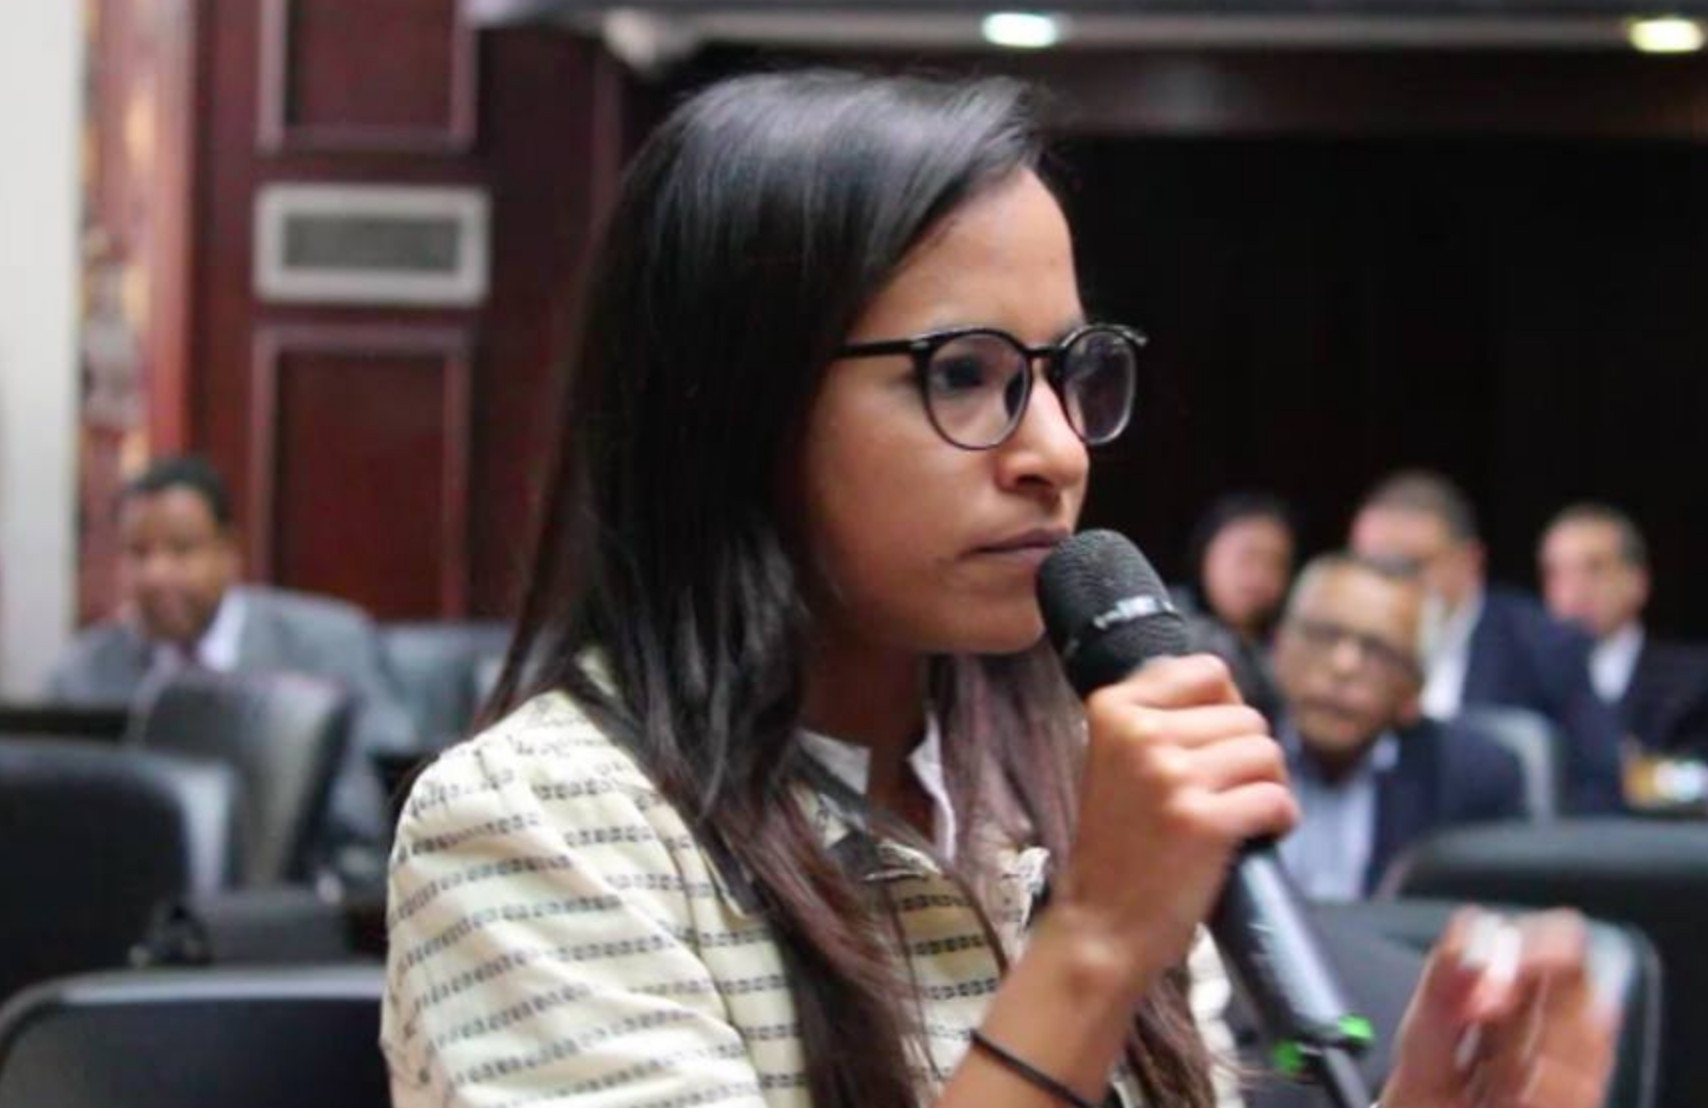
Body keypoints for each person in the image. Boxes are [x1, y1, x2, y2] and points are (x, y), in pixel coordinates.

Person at [381, 72, 1615, 1108]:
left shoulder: (1062, 774)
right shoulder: (536, 825)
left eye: (1070, 372)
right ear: (738, 403)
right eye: (964, 374)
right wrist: (1091, 948)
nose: (1059, 451)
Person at [45, 454, 413, 874]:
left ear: (229, 552)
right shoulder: (82, 673)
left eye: (181, 550)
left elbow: (373, 801)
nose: (155, 575)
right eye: (138, 553)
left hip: (300, 887)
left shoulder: (328, 646)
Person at [1349, 470, 1623, 814]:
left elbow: (1598, 790)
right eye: (1370, 566)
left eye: (1412, 565)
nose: (1390, 585)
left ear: (1469, 562)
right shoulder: (1335, 650)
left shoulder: (1546, 647)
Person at [1269, 553, 1525, 900]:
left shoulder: (1474, 779)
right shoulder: (1216, 750)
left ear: (1414, 690)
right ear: (1278, 645)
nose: (1343, 665)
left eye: (1378, 651)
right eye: (1324, 635)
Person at [1539, 502, 1708, 761]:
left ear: (1637, 582)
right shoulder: (1530, 687)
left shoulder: (1702, 682)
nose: (1574, 590)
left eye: (1594, 568)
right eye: (1556, 573)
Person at [1171, 494, 1296, 717]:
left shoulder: (1280, 649)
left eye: (1276, 564)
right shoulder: (1163, 624)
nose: (1259, 576)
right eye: (1247, 558)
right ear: (1208, 551)